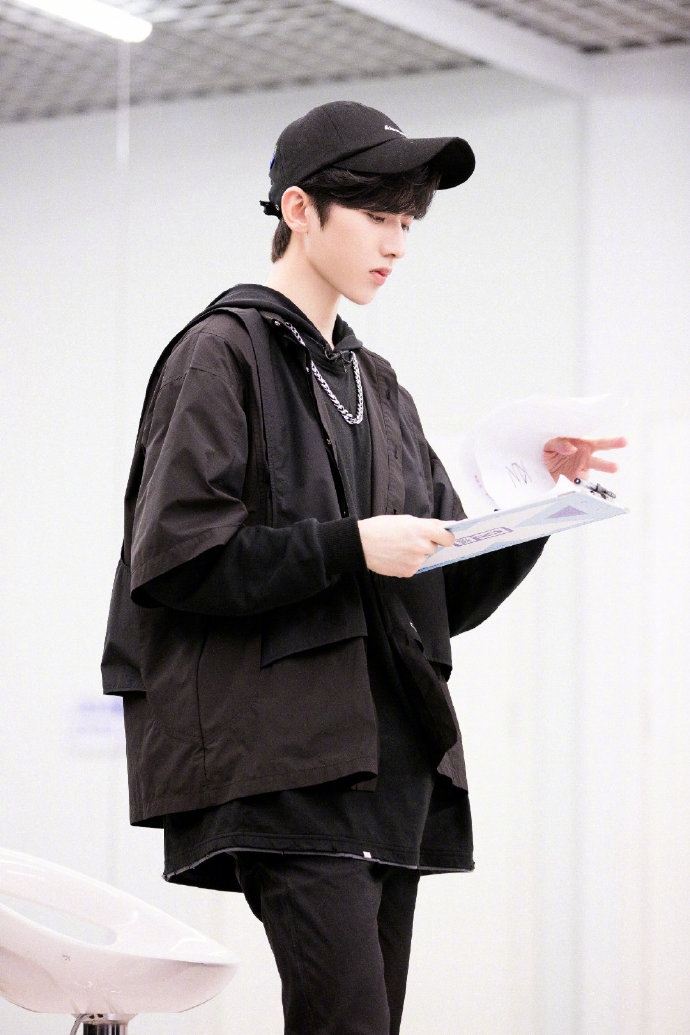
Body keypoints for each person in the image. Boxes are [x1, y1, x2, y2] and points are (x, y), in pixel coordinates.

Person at [102, 101, 625, 1035]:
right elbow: (178, 555)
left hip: (387, 769)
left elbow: (445, 591)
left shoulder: (377, 386)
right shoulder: (220, 353)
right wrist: (352, 544)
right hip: (285, 761)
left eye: (408, 222)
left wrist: (538, 506)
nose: (396, 243)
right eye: (378, 216)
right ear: (299, 210)